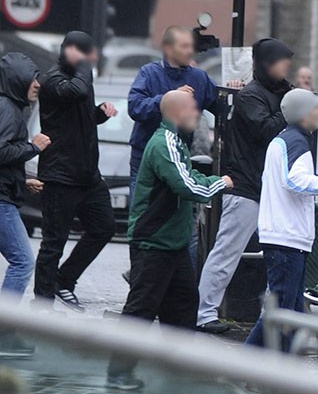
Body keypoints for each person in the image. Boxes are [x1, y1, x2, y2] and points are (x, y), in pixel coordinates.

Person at [107, 91, 233, 391]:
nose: (198, 115)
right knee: (140, 309)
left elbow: (188, 177)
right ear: (177, 113)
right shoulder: (164, 144)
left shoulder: (176, 142)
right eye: (193, 109)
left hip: (171, 244)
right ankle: (118, 373)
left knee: (183, 306)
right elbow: (188, 186)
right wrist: (221, 182)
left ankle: (176, 370)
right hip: (154, 243)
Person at [246, 90, 318, 350]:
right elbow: (296, 182)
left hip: (283, 235)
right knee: (283, 314)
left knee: (293, 312)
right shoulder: (298, 141)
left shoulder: (282, 140)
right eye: (315, 108)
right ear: (304, 113)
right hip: (287, 237)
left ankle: (282, 373)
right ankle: (244, 367)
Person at [196, 38, 293, 334]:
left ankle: (275, 316)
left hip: (275, 189)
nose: (286, 65)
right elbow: (264, 129)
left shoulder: (286, 93)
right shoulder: (251, 95)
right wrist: (291, 111)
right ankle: (204, 313)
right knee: (227, 251)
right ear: (266, 63)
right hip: (246, 186)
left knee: (280, 255)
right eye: (281, 60)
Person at [34, 31, 118, 311]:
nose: (88, 59)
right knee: (52, 243)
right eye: (82, 52)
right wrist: (84, 67)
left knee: (104, 226)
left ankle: (64, 279)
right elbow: (74, 92)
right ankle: (42, 305)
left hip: (87, 174)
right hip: (60, 174)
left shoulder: (81, 78)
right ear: (68, 50)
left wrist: (99, 114)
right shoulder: (52, 78)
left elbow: (78, 115)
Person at [128, 26, 219, 189]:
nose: (190, 51)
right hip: (145, 158)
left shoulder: (199, 77)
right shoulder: (149, 73)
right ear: (169, 49)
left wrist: (234, 90)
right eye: (184, 46)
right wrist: (168, 98)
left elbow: (221, 108)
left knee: (179, 212)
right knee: (144, 211)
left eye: (191, 46)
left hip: (181, 160)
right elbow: (135, 107)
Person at [0, 55, 46, 304]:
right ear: (17, 80)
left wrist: (21, 180)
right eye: (32, 80)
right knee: (23, 262)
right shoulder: (8, 110)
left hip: (5, 194)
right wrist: (33, 148)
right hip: (2, 202)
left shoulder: (9, 107)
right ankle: (5, 328)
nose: (37, 85)